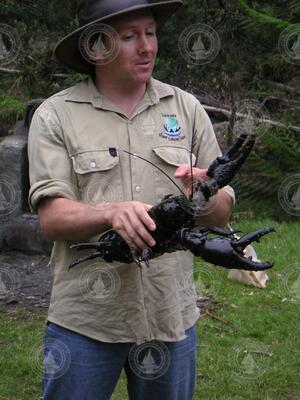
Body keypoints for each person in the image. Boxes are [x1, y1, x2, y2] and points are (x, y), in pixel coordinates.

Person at [28, 1, 235, 399]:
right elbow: (52, 218)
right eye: (129, 37)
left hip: (169, 317)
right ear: (96, 48)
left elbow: (222, 210)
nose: (147, 47)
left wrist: (203, 198)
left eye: (151, 33)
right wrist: (110, 211)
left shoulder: (187, 109)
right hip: (85, 322)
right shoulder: (56, 115)